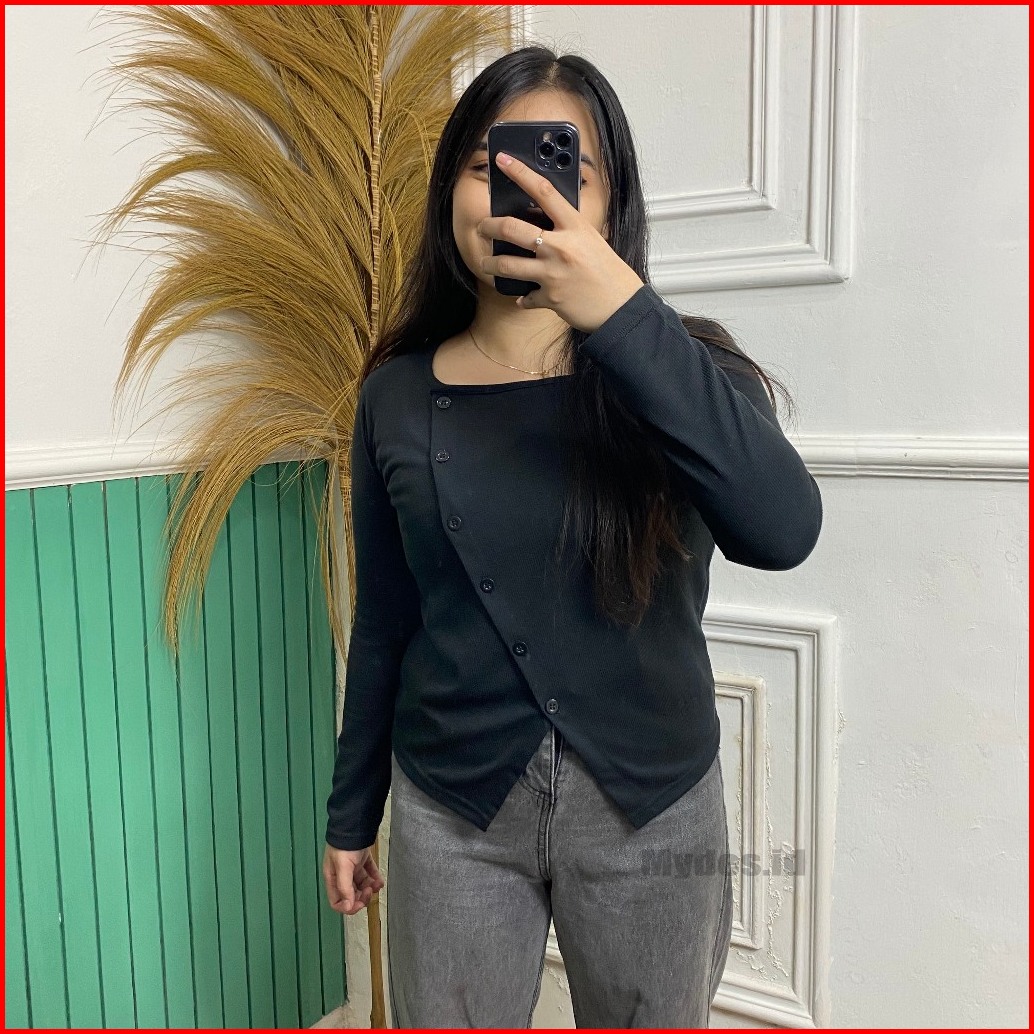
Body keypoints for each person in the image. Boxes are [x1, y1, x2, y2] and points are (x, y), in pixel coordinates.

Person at [322, 45, 822, 1028]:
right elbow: (383, 621)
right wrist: (351, 812)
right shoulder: (394, 395)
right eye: (486, 166)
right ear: (448, 191)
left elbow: (783, 529)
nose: (518, 193)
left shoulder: (685, 369)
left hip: (653, 802)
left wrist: (623, 316)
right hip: (450, 807)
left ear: (608, 203)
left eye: (558, 167)